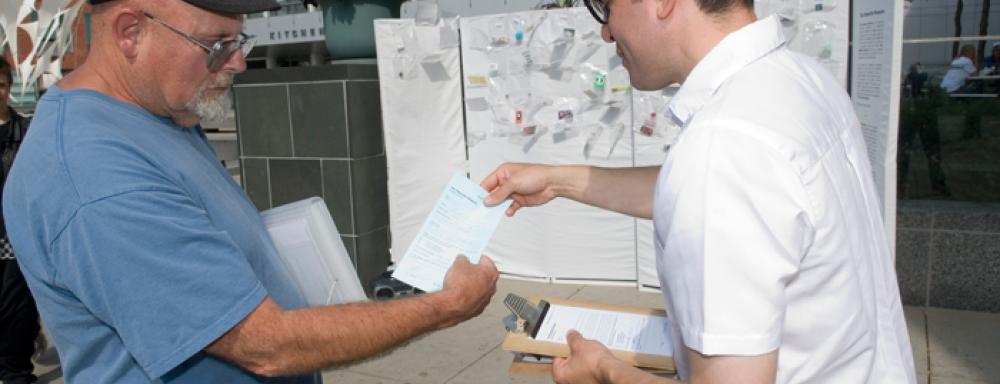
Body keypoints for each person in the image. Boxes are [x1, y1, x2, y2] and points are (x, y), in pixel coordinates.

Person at [1, 1, 498, 383]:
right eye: (216, 44)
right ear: (131, 32)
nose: (237, 62)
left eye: (241, 40)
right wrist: (445, 305)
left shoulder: (159, 113)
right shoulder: (98, 176)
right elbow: (265, 345)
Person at [481, 0, 916, 382]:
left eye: (606, 6)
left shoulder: (724, 146)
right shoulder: (799, 78)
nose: (606, 30)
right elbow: (703, 192)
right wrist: (557, 180)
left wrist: (604, 371)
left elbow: (715, 182)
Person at [0, 56, 40, 384]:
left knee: (16, 330)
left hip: (15, 248)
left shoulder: (27, 132)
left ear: (8, 87)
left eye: (0, 84)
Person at [899, 63, 949, 197]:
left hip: (915, 116)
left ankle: (901, 185)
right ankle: (937, 186)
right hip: (922, 116)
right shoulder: (926, 82)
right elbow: (941, 100)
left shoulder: (908, 82)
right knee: (931, 153)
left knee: (906, 152)